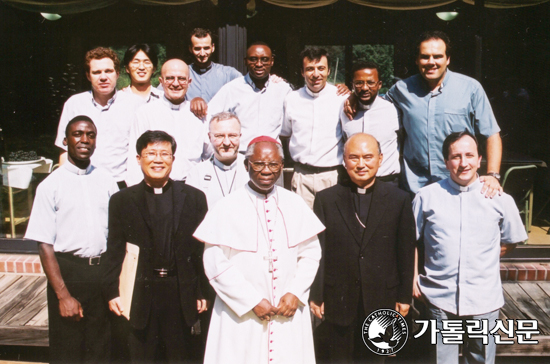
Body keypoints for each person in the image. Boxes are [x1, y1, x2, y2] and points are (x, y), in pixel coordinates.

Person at [194, 136, 325, 364]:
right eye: (259, 164)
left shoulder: (294, 203)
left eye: (274, 164)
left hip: (287, 310)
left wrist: (295, 292)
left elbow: (311, 253)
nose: (267, 170)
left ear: (282, 166)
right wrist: (250, 300)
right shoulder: (226, 206)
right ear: (247, 165)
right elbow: (214, 261)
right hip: (241, 314)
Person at [412, 130, 527, 364]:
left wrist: (482, 257)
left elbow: (512, 240)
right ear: (446, 162)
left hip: (484, 297)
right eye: (455, 157)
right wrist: (413, 277)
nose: (463, 163)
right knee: (441, 360)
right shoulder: (426, 197)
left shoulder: (500, 199)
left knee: (481, 359)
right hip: (439, 296)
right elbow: (411, 241)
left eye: (469, 155)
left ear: (479, 159)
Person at [102, 130, 210, 363]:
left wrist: (201, 291)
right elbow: (115, 249)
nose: (158, 159)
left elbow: (200, 252)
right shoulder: (122, 200)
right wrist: (112, 291)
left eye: (165, 153)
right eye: (151, 153)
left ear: (173, 159)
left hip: (180, 291)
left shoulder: (194, 198)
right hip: (141, 290)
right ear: (139, 158)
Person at [310, 133, 415, 363]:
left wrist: (404, 295)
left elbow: (405, 251)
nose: (361, 164)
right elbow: (318, 251)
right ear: (344, 161)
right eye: (354, 157)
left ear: (380, 159)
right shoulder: (326, 200)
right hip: (338, 298)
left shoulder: (399, 199)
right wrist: (317, 294)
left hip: (382, 298)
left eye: (368, 157)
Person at [25, 116, 118, 363]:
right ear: (66, 141)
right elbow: (44, 245)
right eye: (77, 134)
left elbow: (118, 234)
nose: (84, 140)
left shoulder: (107, 181)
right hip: (69, 273)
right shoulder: (50, 186)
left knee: (102, 348)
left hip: (103, 274)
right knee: (68, 351)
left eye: (90, 135)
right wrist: (63, 296)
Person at [386, 31, 502, 195]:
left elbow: (492, 134)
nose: (431, 62)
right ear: (417, 60)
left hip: (459, 186)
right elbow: (374, 106)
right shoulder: (401, 89)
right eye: (425, 56)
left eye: (438, 56)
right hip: (415, 188)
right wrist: (351, 96)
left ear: (447, 59)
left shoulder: (470, 89)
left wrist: (493, 175)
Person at [55, 47, 144, 189]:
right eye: (96, 72)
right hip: (83, 182)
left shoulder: (135, 105)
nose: (103, 77)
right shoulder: (74, 104)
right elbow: (64, 151)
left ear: (117, 73)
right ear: (88, 76)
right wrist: (66, 186)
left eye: (108, 71)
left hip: (122, 185)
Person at [280, 47, 348, 208]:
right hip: (302, 176)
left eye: (321, 68)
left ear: (329, 71)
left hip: (332, 176)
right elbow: (285, 133)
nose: (316, 74)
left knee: (333, 228)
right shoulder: (291, 99)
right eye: (310, 69)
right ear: (302, 72)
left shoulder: (341, 98)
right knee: (303, 229)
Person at [126, 59, 211, 186]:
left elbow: (210, 154)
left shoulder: (200, 114)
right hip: (156, 186)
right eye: (170, 78)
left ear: (189, 82)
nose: (176, 83)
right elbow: (135, 157)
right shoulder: (145, 113)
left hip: (193, 187)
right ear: (161, 81)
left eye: (181, 79)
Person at [206, 42, 293, 152]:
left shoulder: (283, 90)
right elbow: (209, 117)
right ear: (245, 61)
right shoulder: (232, 89)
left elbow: (289, 127)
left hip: (271, 157)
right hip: (241, 156)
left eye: (265, 59)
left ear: (272, 61)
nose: (259, 64)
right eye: (253, 59)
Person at [340, 61, 400, 184]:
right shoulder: (343, 109)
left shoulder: (393, 109)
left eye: (371, 82)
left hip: (387, 181)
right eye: (359, 83)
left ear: (379, 85)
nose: (365, 88)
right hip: (352, 182)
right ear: (352, 85)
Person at [186, 111, 249, 208]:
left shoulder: (253, 168)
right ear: (209, 137)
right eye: (219, 136)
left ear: (240, 136)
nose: (227, 143)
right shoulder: (197, 173)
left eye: (232, 135)